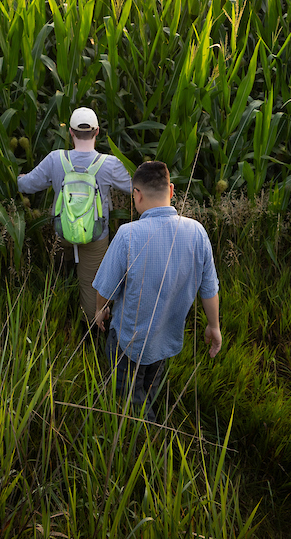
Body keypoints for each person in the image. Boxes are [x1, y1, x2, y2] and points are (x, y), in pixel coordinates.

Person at [93, 161, 221, 423]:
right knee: (150, 388)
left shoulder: (128, 234)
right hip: (165, 340)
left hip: (129, 342)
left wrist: (100, 309)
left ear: (136, 194)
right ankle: (148, 425)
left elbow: (105, 286)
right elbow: (209, 289)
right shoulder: (197, 232)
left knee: (129, 400)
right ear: (171, 190)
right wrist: (214, 326)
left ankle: (145, 442)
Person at [18, 106, 132, 326]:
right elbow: (135, 187)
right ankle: (92, 329)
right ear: (97, 131)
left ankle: (60, 315)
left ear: (70, 132)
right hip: (95, 236)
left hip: (63, 232)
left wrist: (18, 178)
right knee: (91, 285)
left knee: (61, 273)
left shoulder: (55, 159)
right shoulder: (109, 164)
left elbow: (28, 185)